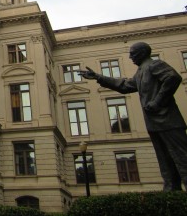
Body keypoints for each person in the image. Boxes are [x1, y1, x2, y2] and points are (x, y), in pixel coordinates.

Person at [79, 42, 187, 191]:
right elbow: (125, 85)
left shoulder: (155, 65)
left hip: (169, 120)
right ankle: (171, 191)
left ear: (142, 53)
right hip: (154, 123)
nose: (130, 57)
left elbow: (173, 78)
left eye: (133, 53)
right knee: (165, 160)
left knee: (182, 157)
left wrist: (157, 101)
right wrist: (98, 77)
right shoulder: (141, 71)